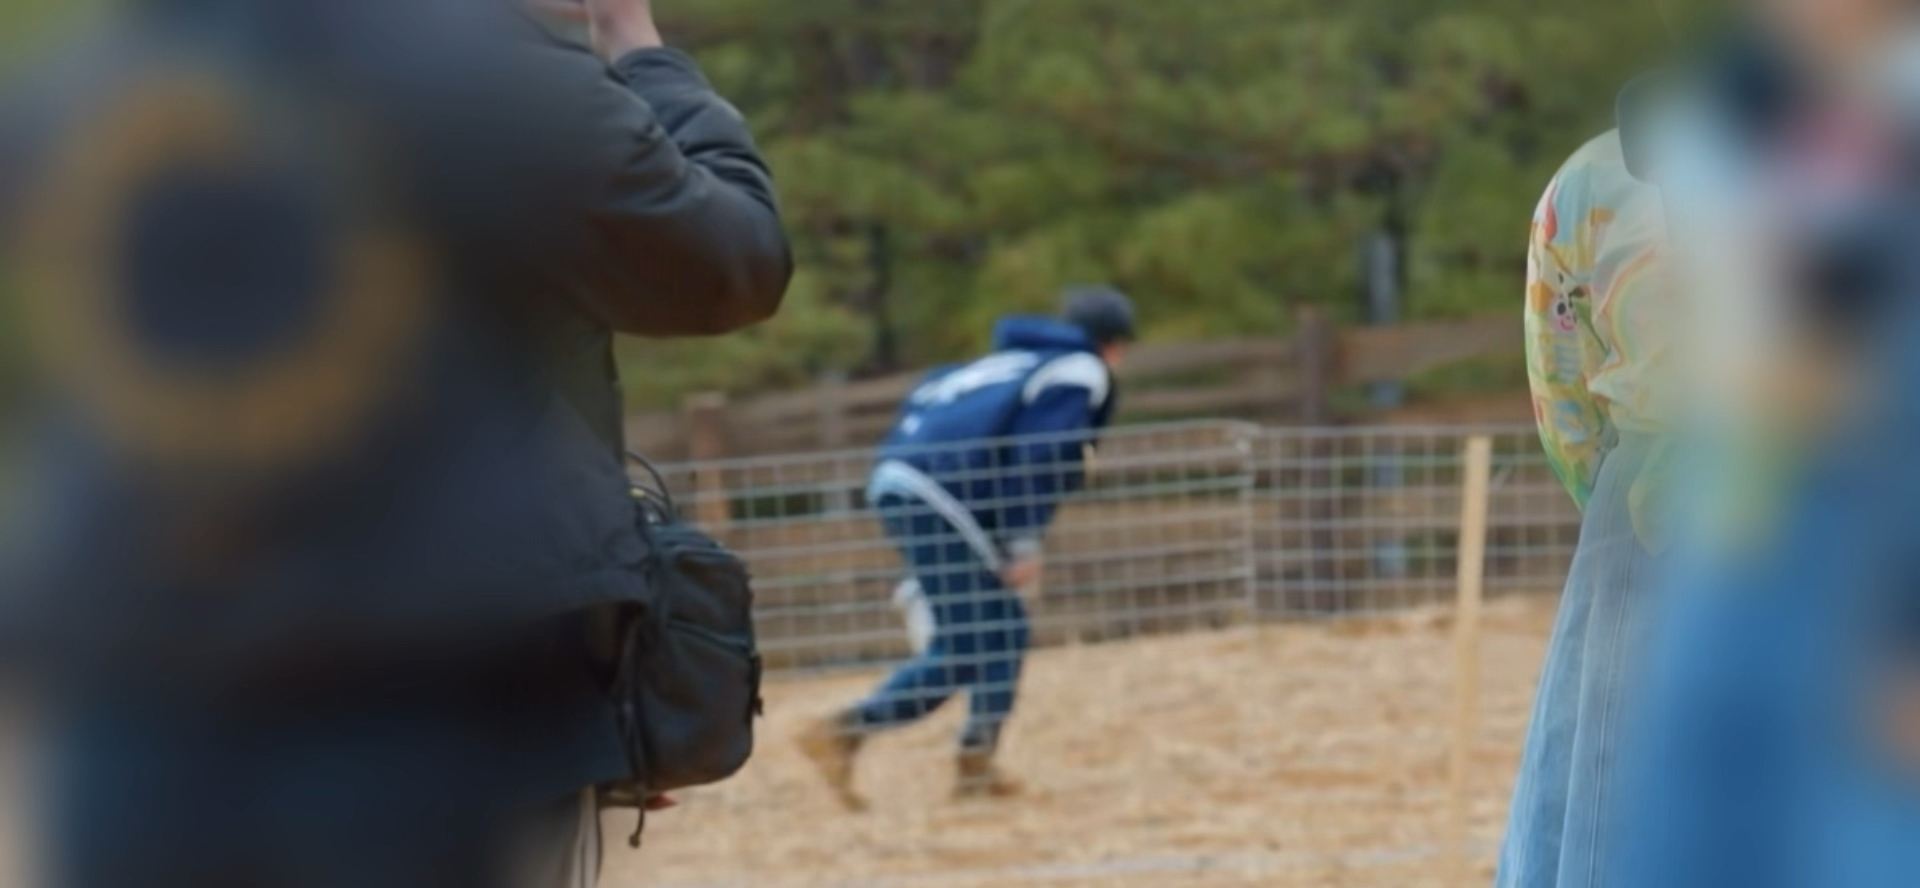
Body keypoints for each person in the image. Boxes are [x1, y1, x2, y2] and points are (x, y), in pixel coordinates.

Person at [0, 0, 790, 885]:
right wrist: (631, 39)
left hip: (141, 694)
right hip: (421, 689)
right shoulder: (484, 75)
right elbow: (731, 264)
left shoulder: (95, 77)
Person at [797, 286, 1136, 810]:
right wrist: (1021, 540)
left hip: (905, 481)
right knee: (967, 645)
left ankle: (975, 762)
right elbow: (1041, 454)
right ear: (1113, 345)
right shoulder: (1078, 369)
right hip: (943, 494)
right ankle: (846, 731)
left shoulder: (1003, 362)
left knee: (998, 630)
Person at [1495, 128, 1669, 888]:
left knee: (1611, 790)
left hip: (1649, 510)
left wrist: (1617, 496)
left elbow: (1562, 390)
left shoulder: (1594, 175)